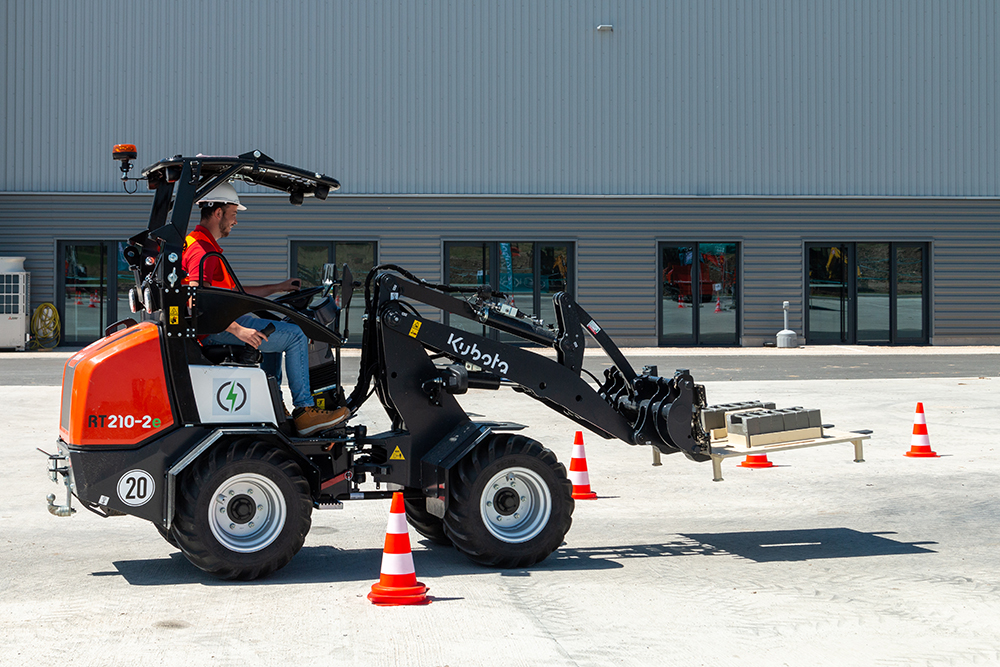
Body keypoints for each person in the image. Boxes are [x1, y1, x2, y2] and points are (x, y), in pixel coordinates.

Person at [182, 181, 348, 435]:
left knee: (275, 330)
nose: (235, 221)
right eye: (234, 214)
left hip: (220, 323)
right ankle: (305, 411)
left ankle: (275, 404)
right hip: (215, 329)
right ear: (218, 213)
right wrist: (238, 330)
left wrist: (278, 287)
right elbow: (197, 300)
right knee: (296, 335)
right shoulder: (200, 250)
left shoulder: (203, 245)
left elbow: (235, 293)